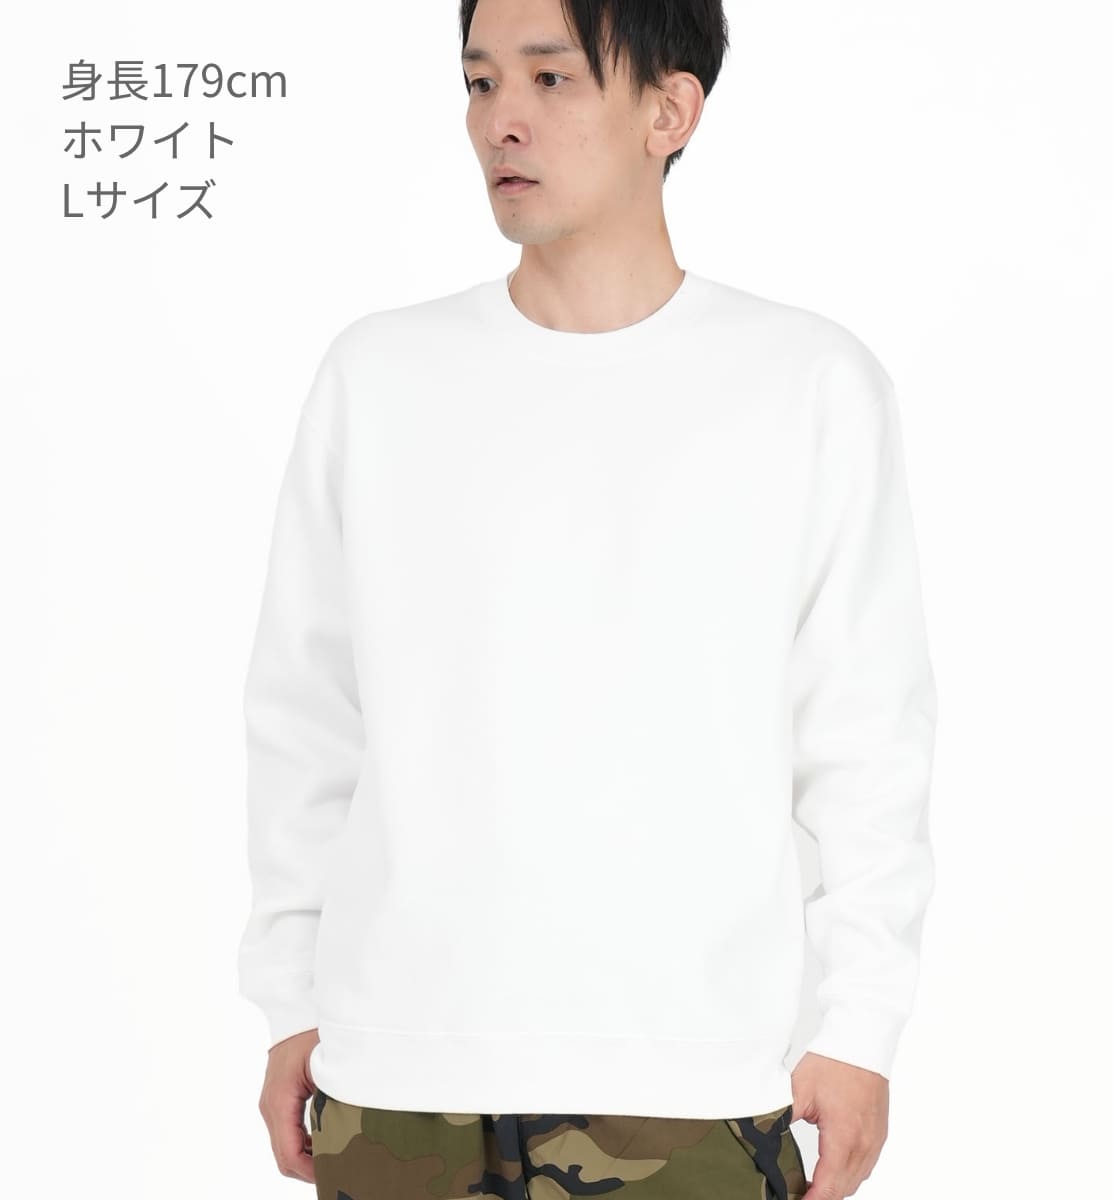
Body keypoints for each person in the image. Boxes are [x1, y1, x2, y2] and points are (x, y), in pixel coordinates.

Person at [236, 0, 938, 1197]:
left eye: (550, 79)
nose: (499, 121)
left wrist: (860, 1024)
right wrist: (292, 999)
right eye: (479, 82)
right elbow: (307, 719)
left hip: (694, 1081)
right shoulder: (380, 376)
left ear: (670, 110)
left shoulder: (808, 385)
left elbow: (865, 737)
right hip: (399, 1074)